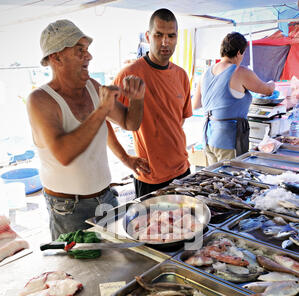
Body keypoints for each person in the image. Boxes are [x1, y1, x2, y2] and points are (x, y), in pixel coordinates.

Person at [26, 19, 145, 240]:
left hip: (106, 198)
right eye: (80, 51)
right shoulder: (40, 100)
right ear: (56, 57)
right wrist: (101, 110)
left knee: (120, 264)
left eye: (87, 50)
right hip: (68, 208)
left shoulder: (92, 87)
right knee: (78, 272)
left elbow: (130, 123)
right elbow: (64, 154)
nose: (88, 56)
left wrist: (137, 99)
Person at [114, 8, 193, 198]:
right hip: (150, 176)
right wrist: (125, 159)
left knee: (188, 225)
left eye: (171, 36)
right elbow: (102, 119)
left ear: (176, 38)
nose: (165, 42)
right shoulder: (129, 74)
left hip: (182, 171)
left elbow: (178, 120)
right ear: (148, 37)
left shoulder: (181, 75)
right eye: (159, 35)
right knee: (154, 227)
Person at [192, 31, 275, 165]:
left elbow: (195, 105)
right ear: (238, 53)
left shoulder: (206, 73)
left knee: (214, 181)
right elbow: (267, 90)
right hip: (228, 141)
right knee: (230, 180)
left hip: (208, 138)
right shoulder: (239, 72)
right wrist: (273, 83)